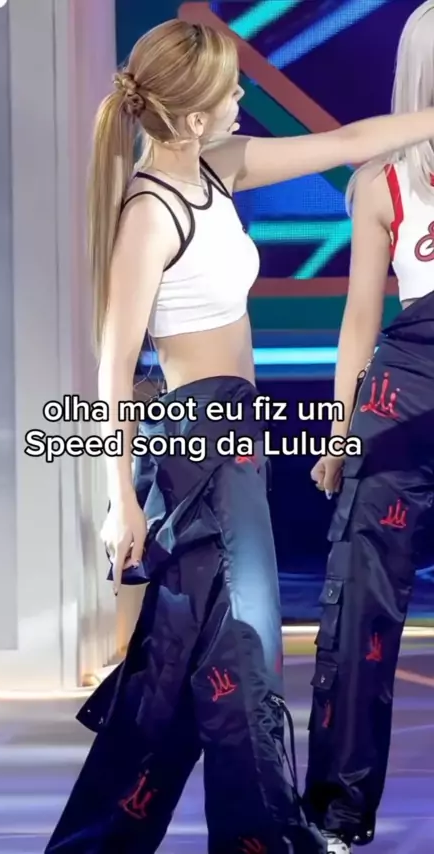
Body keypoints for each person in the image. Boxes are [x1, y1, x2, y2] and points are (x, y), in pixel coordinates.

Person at [45, 17, 434, 854]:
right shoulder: (150, 211)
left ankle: (98, 843)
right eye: (230, 90)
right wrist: (119, 501)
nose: (242, 97)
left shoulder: (218, 167)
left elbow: (348, 142)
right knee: (246, 654)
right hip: (199, 445)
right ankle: (266, 838)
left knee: (179, 664)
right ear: (191, 117)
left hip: (236, 438)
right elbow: (113, 366)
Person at [303, 3, 434, 853]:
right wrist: (341, 432)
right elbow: (358, 320)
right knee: (361, 606)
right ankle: (336, 814)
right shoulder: (383, 178)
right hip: (407, 384)